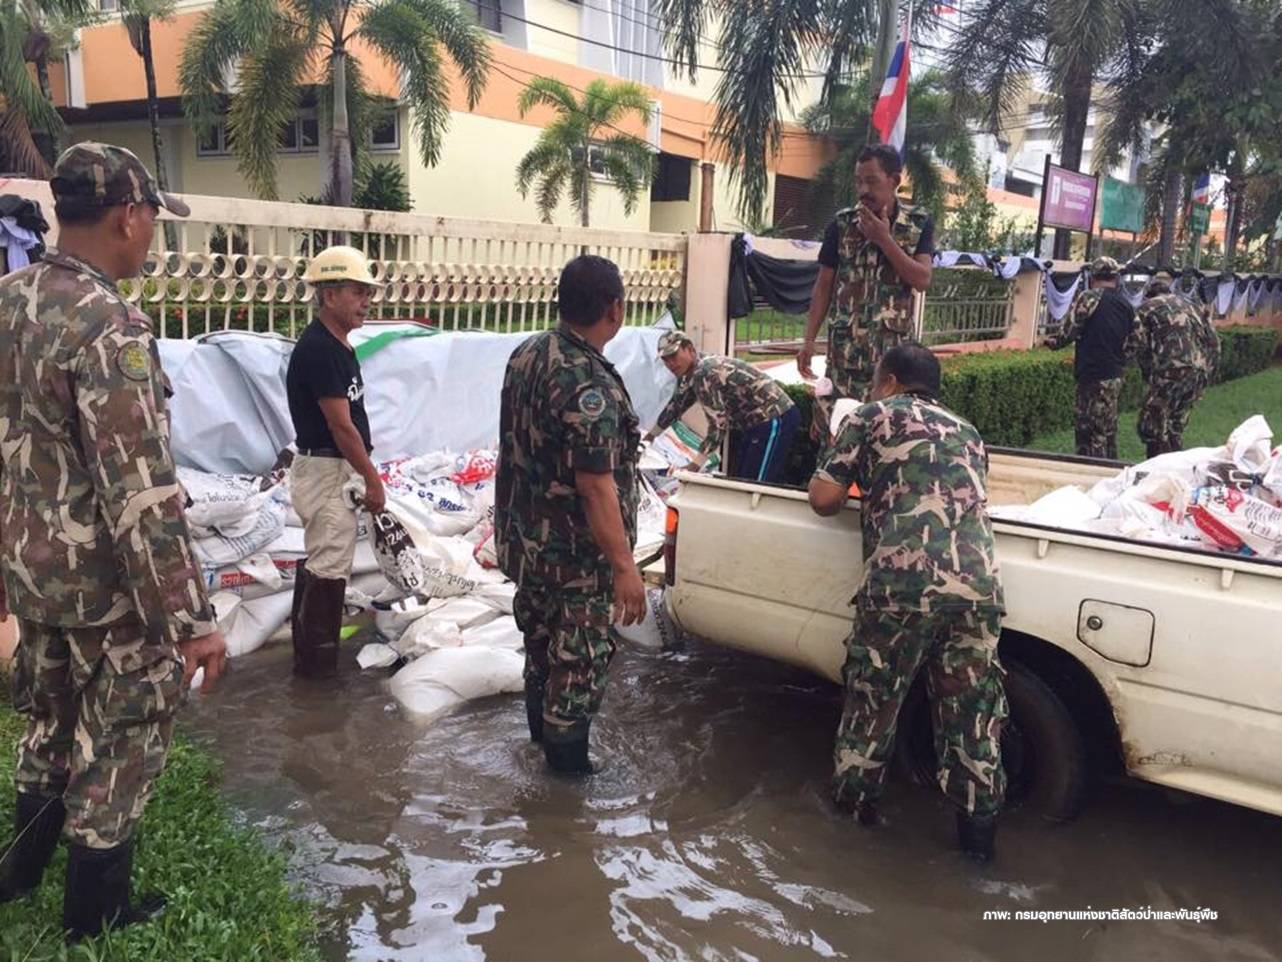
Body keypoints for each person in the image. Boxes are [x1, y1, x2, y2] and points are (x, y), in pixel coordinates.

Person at [0, 143, 227, 940]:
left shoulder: (9, 299)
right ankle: (94, 915)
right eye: (154, 219)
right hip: (104, 586)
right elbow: (141, 492)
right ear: (129, 215)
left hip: (31, 572)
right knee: (122, 735)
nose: (153, 234)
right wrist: (192, 620)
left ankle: (19, 876)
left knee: (51, 722)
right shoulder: (110, 327)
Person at [807, 343, 1007, 863]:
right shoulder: (969, 431)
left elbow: (824, 500)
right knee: (973, 716)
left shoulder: (871, 416)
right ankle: (978, 849)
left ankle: (848, 838)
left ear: (890, 381)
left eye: (876, 381)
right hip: (979, 589)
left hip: (903, 586)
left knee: (872, 705)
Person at [495, 254, 646, 775]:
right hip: (576, 561)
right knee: (576, 672)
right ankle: (564, 802)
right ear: (615, 309)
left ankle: (537, 757)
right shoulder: (590, 384)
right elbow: (596, 488)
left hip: (527, 547)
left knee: (540, 657)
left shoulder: (526, 354)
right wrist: (626, 568)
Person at [285, 245, 385, 678]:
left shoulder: (337, 345)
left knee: (322, 565)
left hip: (331, 468)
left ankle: (309, 661)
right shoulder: (320, 350)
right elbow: (341, 427)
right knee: (328, 571)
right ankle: (316, 679)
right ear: (329, 296)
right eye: (358, 292)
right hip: (327, 471)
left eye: (368, 292)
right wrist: (371, 478)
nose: (367, 301)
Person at [798, 144, 935, 433]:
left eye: (871, 181)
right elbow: (823, 286)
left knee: (886, 434)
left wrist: (885, 240)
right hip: (844, 354)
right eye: (859, 181)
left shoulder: (918, 224)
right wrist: (808, 340)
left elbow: (922, 280)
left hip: (892, 360)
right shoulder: (841, 224)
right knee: (835, 433)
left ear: (895, 180)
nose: (863, 189)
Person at [644, 330, 800, 482]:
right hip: (754, 423)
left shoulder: (704, 372)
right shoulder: (692, 371)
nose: (670, 363)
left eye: (674, 356)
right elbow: (676, 406)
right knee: (743, 479)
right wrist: (648, 438)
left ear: (690, 349)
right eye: (665, 360)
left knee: (755, 486)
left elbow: (718, 424)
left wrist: (695, 465)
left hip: (773, 416)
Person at [1044, 256, 1136, 459]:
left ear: (1092, 277)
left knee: (1090, 429)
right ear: (1116, 278)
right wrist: (1120, 361)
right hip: (1114, 375)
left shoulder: (1089, 297)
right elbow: (1136, 341)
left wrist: (1053, 342)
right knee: (1108, 426)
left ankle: (1092, 472)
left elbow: (1069, 331)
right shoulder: (1125, 305)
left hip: (1092, 374)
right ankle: (1112, 470)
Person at [1132, 271, 1220, 458]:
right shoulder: (1192, 306)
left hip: (1169, 372)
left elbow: (1137, 345)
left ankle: (1157, 470)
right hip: (1198, 373)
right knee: (1175, 424)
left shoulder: (1146, 308)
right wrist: (1208, 373)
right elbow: (1214, 343)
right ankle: (1177, 465)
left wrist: (1148, 374)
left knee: (1152, 425)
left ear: (1149, 294)